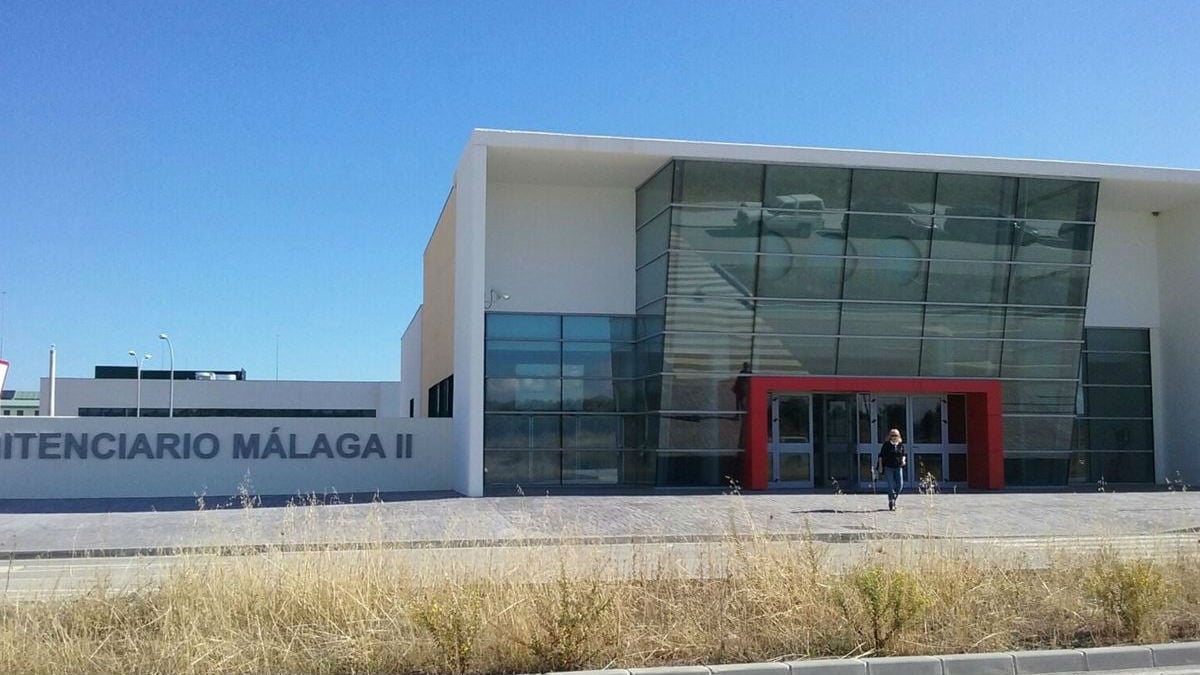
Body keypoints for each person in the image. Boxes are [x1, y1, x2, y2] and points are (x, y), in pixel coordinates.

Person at [876, 428, 907, 511]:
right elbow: (881, 456)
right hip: (888, 467)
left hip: (898, 467)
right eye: (892, 435)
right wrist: (881, 466)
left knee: (900, 485)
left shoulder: (900, 445)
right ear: (889, 436)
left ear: (898, 436)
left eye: (895, 435)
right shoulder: (886, 445)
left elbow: (903, 454)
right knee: (890, 486)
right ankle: (892, 502)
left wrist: (903, 460)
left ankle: (892, 500)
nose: (894, 437)